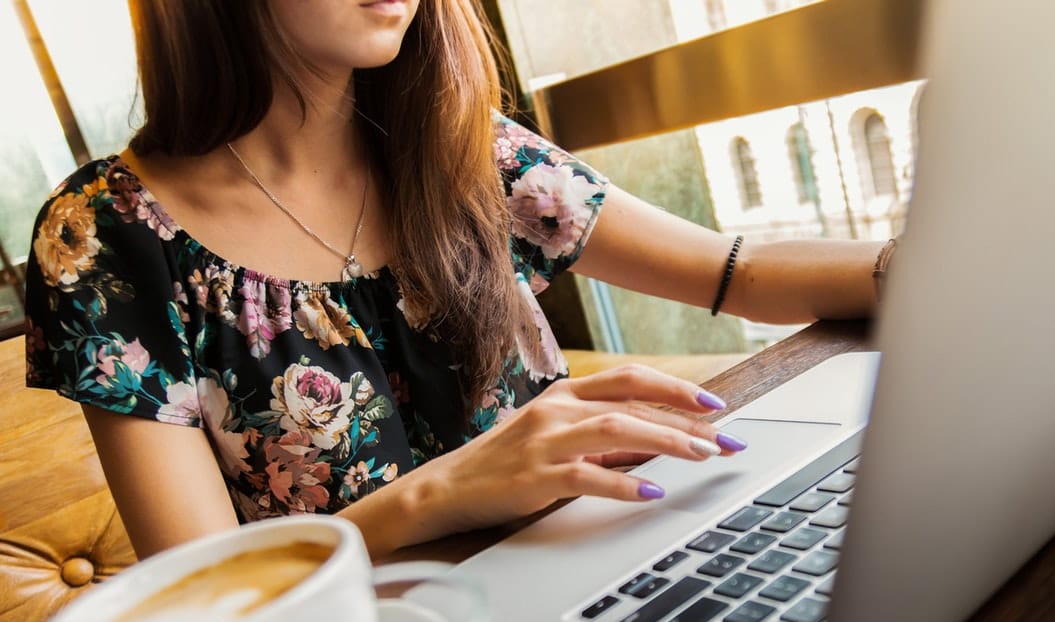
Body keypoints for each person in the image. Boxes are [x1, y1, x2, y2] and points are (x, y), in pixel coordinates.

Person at [24, 0, 889, 561]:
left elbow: (732, 273)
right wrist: (443, 492)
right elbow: (201, 588)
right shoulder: (104, 234)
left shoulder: (459, 145)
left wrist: (929, 265)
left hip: (590, 567)